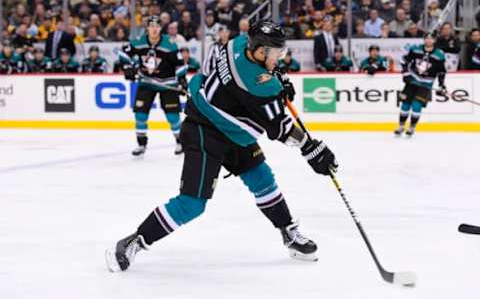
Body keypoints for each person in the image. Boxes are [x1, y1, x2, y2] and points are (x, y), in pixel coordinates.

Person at [105, 20, 338, 272]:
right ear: (260, 51)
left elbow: (219, 71)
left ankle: (288, 233)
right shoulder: (258, 85)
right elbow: (280, 128)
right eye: (276, 54)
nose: (279, 58)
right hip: (205, 131)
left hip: (232, 129)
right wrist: (312, 149)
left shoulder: (237, 44)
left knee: (263, 179)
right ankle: (135, 240)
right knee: (192, 204)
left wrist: (275, 78)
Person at [118, 15, 188, 156]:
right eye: (151, 27)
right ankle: (141, 144)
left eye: (157, 27)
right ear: (147, 28)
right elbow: (123, 53)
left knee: (173, 116)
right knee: (140, 114)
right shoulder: (139, 42)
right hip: (146, 83)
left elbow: (180, 64)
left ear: (160, 29)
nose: (154, 29)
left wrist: (182, 81)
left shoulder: (169, 44)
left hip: (167, 84)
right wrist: (127, 68)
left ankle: (180, 142)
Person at [394, 33, 447, 137]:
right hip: (412, 81)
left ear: (434, 40)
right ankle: (401, 126)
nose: (428, 40)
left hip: (426, 84)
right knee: (405, 104)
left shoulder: (439, 54)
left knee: (416, 105)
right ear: (424, 40)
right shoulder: (415, 49)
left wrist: (441, 85)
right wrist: (406, 73)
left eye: (431, 38)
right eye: (426, 38)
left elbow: (441, 71)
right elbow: (403, 60)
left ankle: (412, 127)